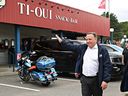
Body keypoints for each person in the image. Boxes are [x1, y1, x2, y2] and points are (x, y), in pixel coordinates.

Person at [55, 32, 112, 96]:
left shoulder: (102, 50)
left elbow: (107, 66)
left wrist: (105, 80)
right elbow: (71, 47)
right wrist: (62, 41)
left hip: (96, 80)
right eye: (86, 39)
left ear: (96, 39)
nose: (88, 41)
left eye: (90, 39)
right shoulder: (83, 48)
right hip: (85, 79)